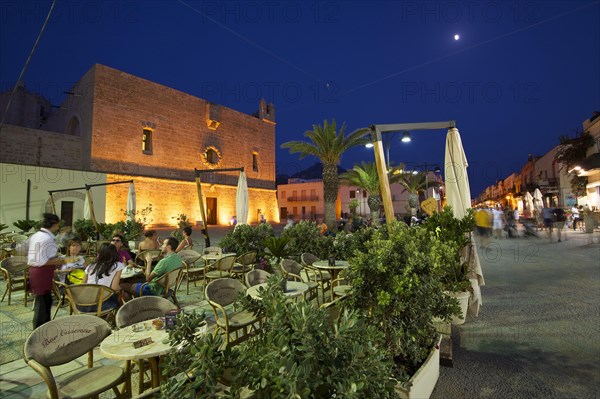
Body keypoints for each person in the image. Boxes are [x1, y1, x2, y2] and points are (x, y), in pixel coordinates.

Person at [27, 213, 70, 328]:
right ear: (55, 224)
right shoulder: (46, 238)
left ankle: (44, 329)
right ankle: (39, 332)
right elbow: (42, 261)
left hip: (38, 272)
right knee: (42, 305)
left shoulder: (37, 235)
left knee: (46, 302)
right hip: (41, 272)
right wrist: (61, 261)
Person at [81, 243, 123, 312]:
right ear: (114, 254)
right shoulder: (117, 265)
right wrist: (122, 288)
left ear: (99, 254)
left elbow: (83, 285)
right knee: (119, 294)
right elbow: (114, 288)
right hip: (102, 305)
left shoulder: (90, 266)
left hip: (84, 304)